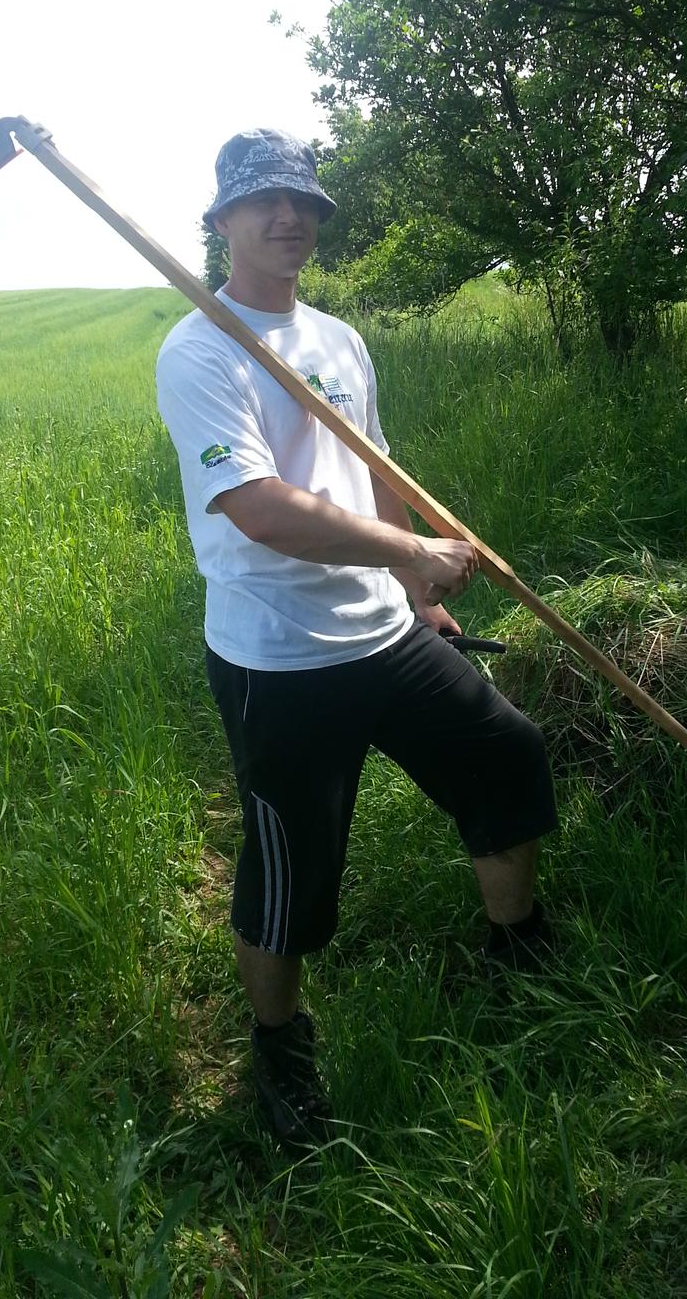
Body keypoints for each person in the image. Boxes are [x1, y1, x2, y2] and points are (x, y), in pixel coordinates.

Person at [156, 128, 557, 1145]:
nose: (289, 217)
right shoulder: (198, 350)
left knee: (505, 754)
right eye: (264, 202)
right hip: (280, 655)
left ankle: (518, 953)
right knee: (290, 871)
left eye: (303, 202)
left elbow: (377, 467)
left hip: (386, 632)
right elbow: (261, 509)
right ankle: (279, 1049)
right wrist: (413, 551)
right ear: (223, 221)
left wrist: (415, 588)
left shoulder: (338, 339)